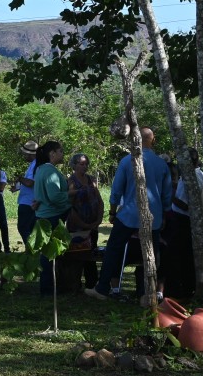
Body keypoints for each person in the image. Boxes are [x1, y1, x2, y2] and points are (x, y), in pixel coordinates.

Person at [87, 127, 172, 303]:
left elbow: (116, 190)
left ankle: (102, 287)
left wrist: (112, 211)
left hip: (129, 214)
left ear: (136, 140)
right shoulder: (161, 164)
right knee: (152, 253)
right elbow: (166, 194)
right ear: (153, 140)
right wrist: (163, 214)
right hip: (153, 216)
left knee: (113, 249)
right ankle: (150, 292)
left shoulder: (128, 161)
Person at [161, 150, 203, 300]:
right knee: (181, 256)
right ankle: (182, 289)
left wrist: (169, 194)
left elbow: (185, 204)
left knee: (177, 256)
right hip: (182, 220)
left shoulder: (191, 177)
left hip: (182, 220)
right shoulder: (196, 175)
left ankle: (178, 291)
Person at [33, 142, 70, 296]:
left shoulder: (41, 169)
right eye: (60, 151)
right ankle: (48, 288)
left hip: (43, 214)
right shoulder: (50, 171)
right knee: (50, 254)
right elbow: (54, 196)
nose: (62, 154)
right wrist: (71, 196)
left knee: (47, 253)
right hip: (52, 216)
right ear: (52, 153)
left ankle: (49, 286)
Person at [66, 152, 104, 289]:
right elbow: (70, 206)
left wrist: (98, 220)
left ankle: (92, 284)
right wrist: (84, 225)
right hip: (77, 226)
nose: (84, 167)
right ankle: (74, 284)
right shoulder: (71, 181)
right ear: (74, 165)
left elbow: (99, 201)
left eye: (86, 164)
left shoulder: (91, 179)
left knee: (91, 254)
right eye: (81, 164)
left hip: (93, 224)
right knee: (77, 255)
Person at [15, 140, 39, 248]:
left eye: (25, 153)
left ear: (31, 153)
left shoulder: (35, 165)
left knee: (23, 228)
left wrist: (20, 178)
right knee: (29, 229)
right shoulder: (33, 165)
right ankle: (32, 250)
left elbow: (30, 182)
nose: (24, 155)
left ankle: (31, 250)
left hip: (28, 202)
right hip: (29, 201)